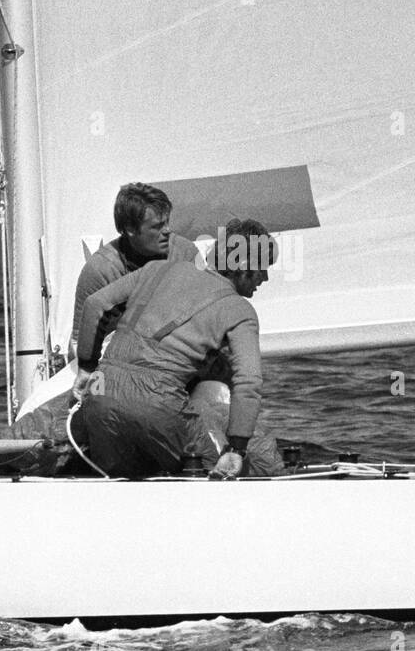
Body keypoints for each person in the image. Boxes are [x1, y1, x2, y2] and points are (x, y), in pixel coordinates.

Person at [72, 218, 275, 479]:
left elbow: (94, 304)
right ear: (245, 267)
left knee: (124, 480)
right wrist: (237, 448)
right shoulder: (240, 311)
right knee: (237, 472)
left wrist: (87, 368)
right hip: (159, 405)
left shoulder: (156, 269)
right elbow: (248, 382)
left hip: (99, 394)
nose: (266, 277)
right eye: (264, 269)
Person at [68, 182, 200, 361]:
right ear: (130, 229)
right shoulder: (100, 271)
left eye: (167, 222)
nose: (168, 230)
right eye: (157, 226)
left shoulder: (185, 253)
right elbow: (78, 346)